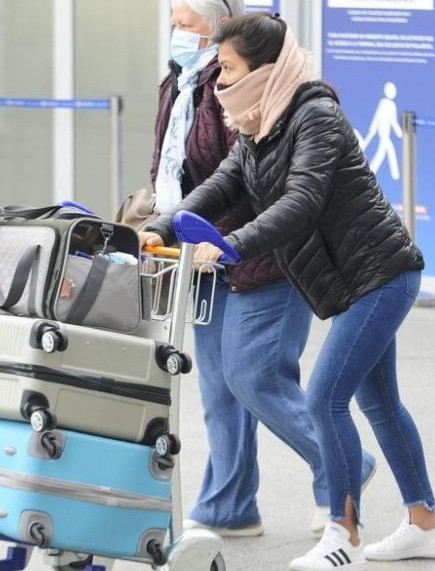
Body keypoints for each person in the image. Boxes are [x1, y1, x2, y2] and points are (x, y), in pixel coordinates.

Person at [142, 13, 435, 570]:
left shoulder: (316, 115)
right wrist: (160, 228)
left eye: (229, 71)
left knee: (324, 397)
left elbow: (302, 200)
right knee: (379, 402)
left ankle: (343, 534)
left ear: (264, 70)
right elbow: (217, 188)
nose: (219, 83)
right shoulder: (259, 126)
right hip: (351, 281)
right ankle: (425, 521)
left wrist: (231, 244)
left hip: (381, 274)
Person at [152, 0, 374, 537]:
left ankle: (342, 468)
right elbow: (188, 172)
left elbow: (279, 196)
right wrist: (161, 223)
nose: (176, 32)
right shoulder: (178, 84)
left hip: (267, 257)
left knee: (255, 376)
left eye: (185, 23)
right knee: (219, 388)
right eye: (174, 22)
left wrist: (231, 242)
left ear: (215, 33)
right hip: (203, 256)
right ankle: (229, 506)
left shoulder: (259, 101)